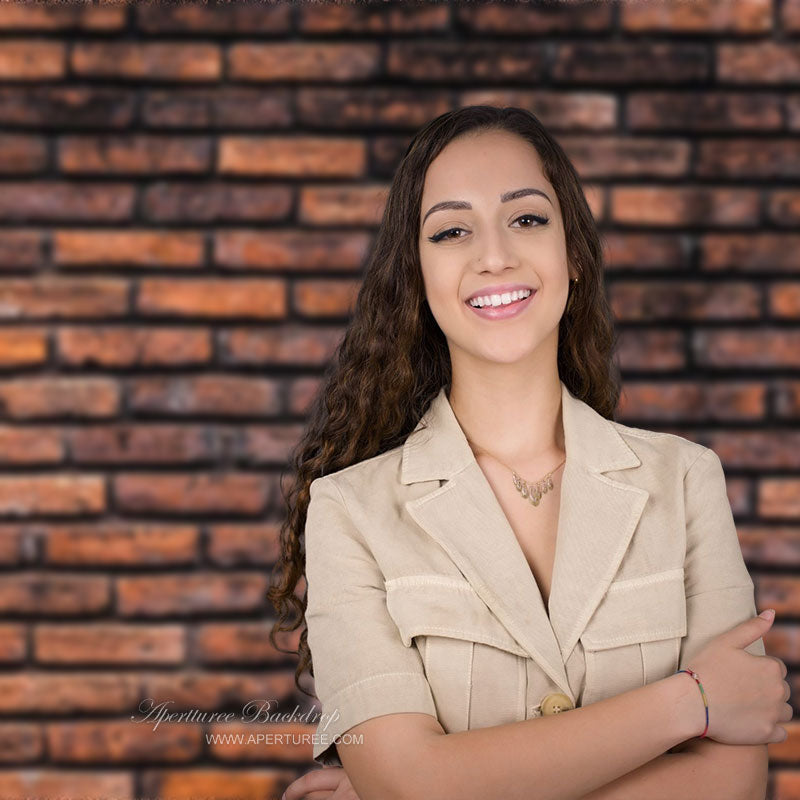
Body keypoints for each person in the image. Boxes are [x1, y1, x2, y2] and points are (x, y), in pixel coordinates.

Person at [268, 106, 791, 800]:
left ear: (572, 251)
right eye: (452, 230)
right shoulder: (348, 512)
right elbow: (409, 785)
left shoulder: (686, 481)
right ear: (416, 276)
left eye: (527, 218)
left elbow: (732, 784)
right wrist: (689, 703)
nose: (495, 255)